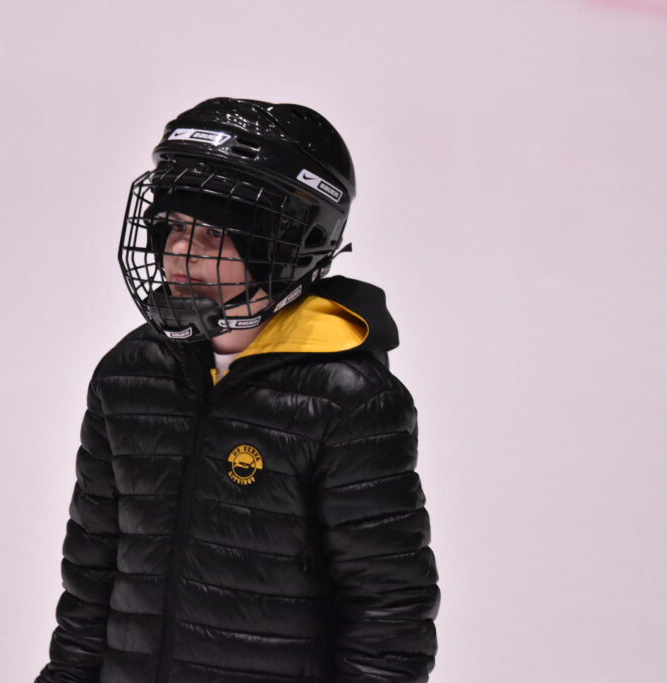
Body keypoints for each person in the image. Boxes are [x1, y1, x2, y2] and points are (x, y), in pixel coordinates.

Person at [34, 97, 440, 682]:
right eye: (175, 227)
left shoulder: (348, 400)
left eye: (211, 235)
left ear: (283, 245)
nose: (180, 253)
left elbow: (389, 614)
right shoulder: (128, 375)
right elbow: (89, 585)